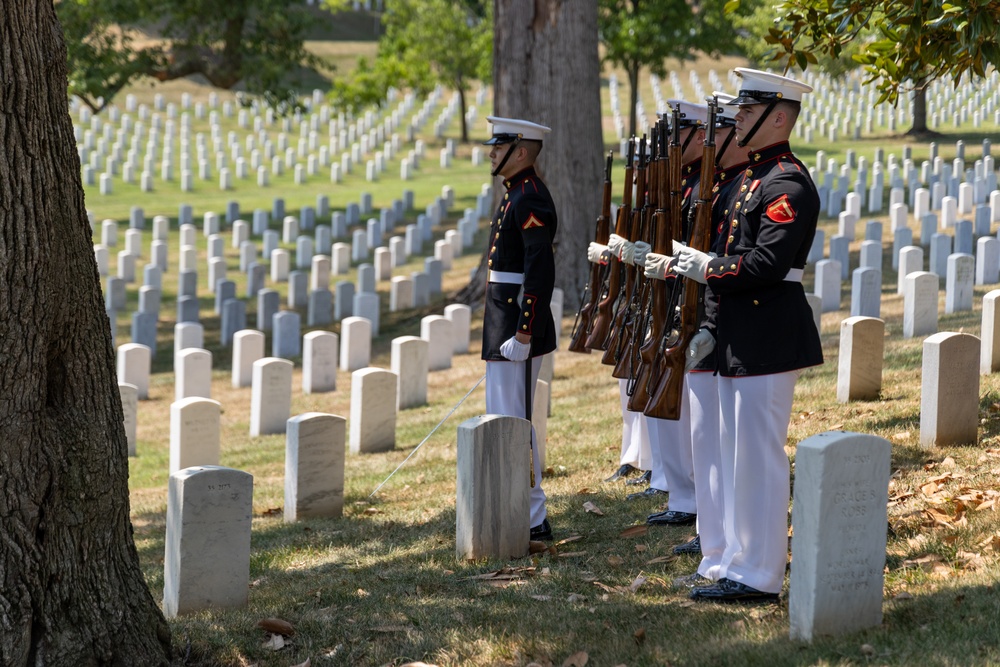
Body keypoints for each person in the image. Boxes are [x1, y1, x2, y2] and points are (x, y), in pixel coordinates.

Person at [653, 69, 823, 602]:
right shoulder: (752, 180)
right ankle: (731, 560)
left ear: (778, 117)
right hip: (737, 331)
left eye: (747, 113)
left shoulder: (786, 182)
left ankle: (760, 574)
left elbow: (769, 263)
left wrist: (708, 269)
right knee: (732, 454)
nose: (736, 120)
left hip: (767, 332)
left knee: (757, 458)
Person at [481, 115, 558, 542]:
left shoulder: (530, 198)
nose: (492, 152)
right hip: (503, 321)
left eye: (499, 146)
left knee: (516, 420)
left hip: (516, 326)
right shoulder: (516, 194)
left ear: (522, 152)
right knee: (502, 416)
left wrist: (525, 332)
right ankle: (516, 507)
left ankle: (533, 517)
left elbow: (538, 269)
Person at [639, 100, 706, 521]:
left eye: (677, 135)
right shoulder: (685, 183)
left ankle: (686, 496)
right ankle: (678, 492)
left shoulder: (704, 185)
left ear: (700, 135)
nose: (670, 144)